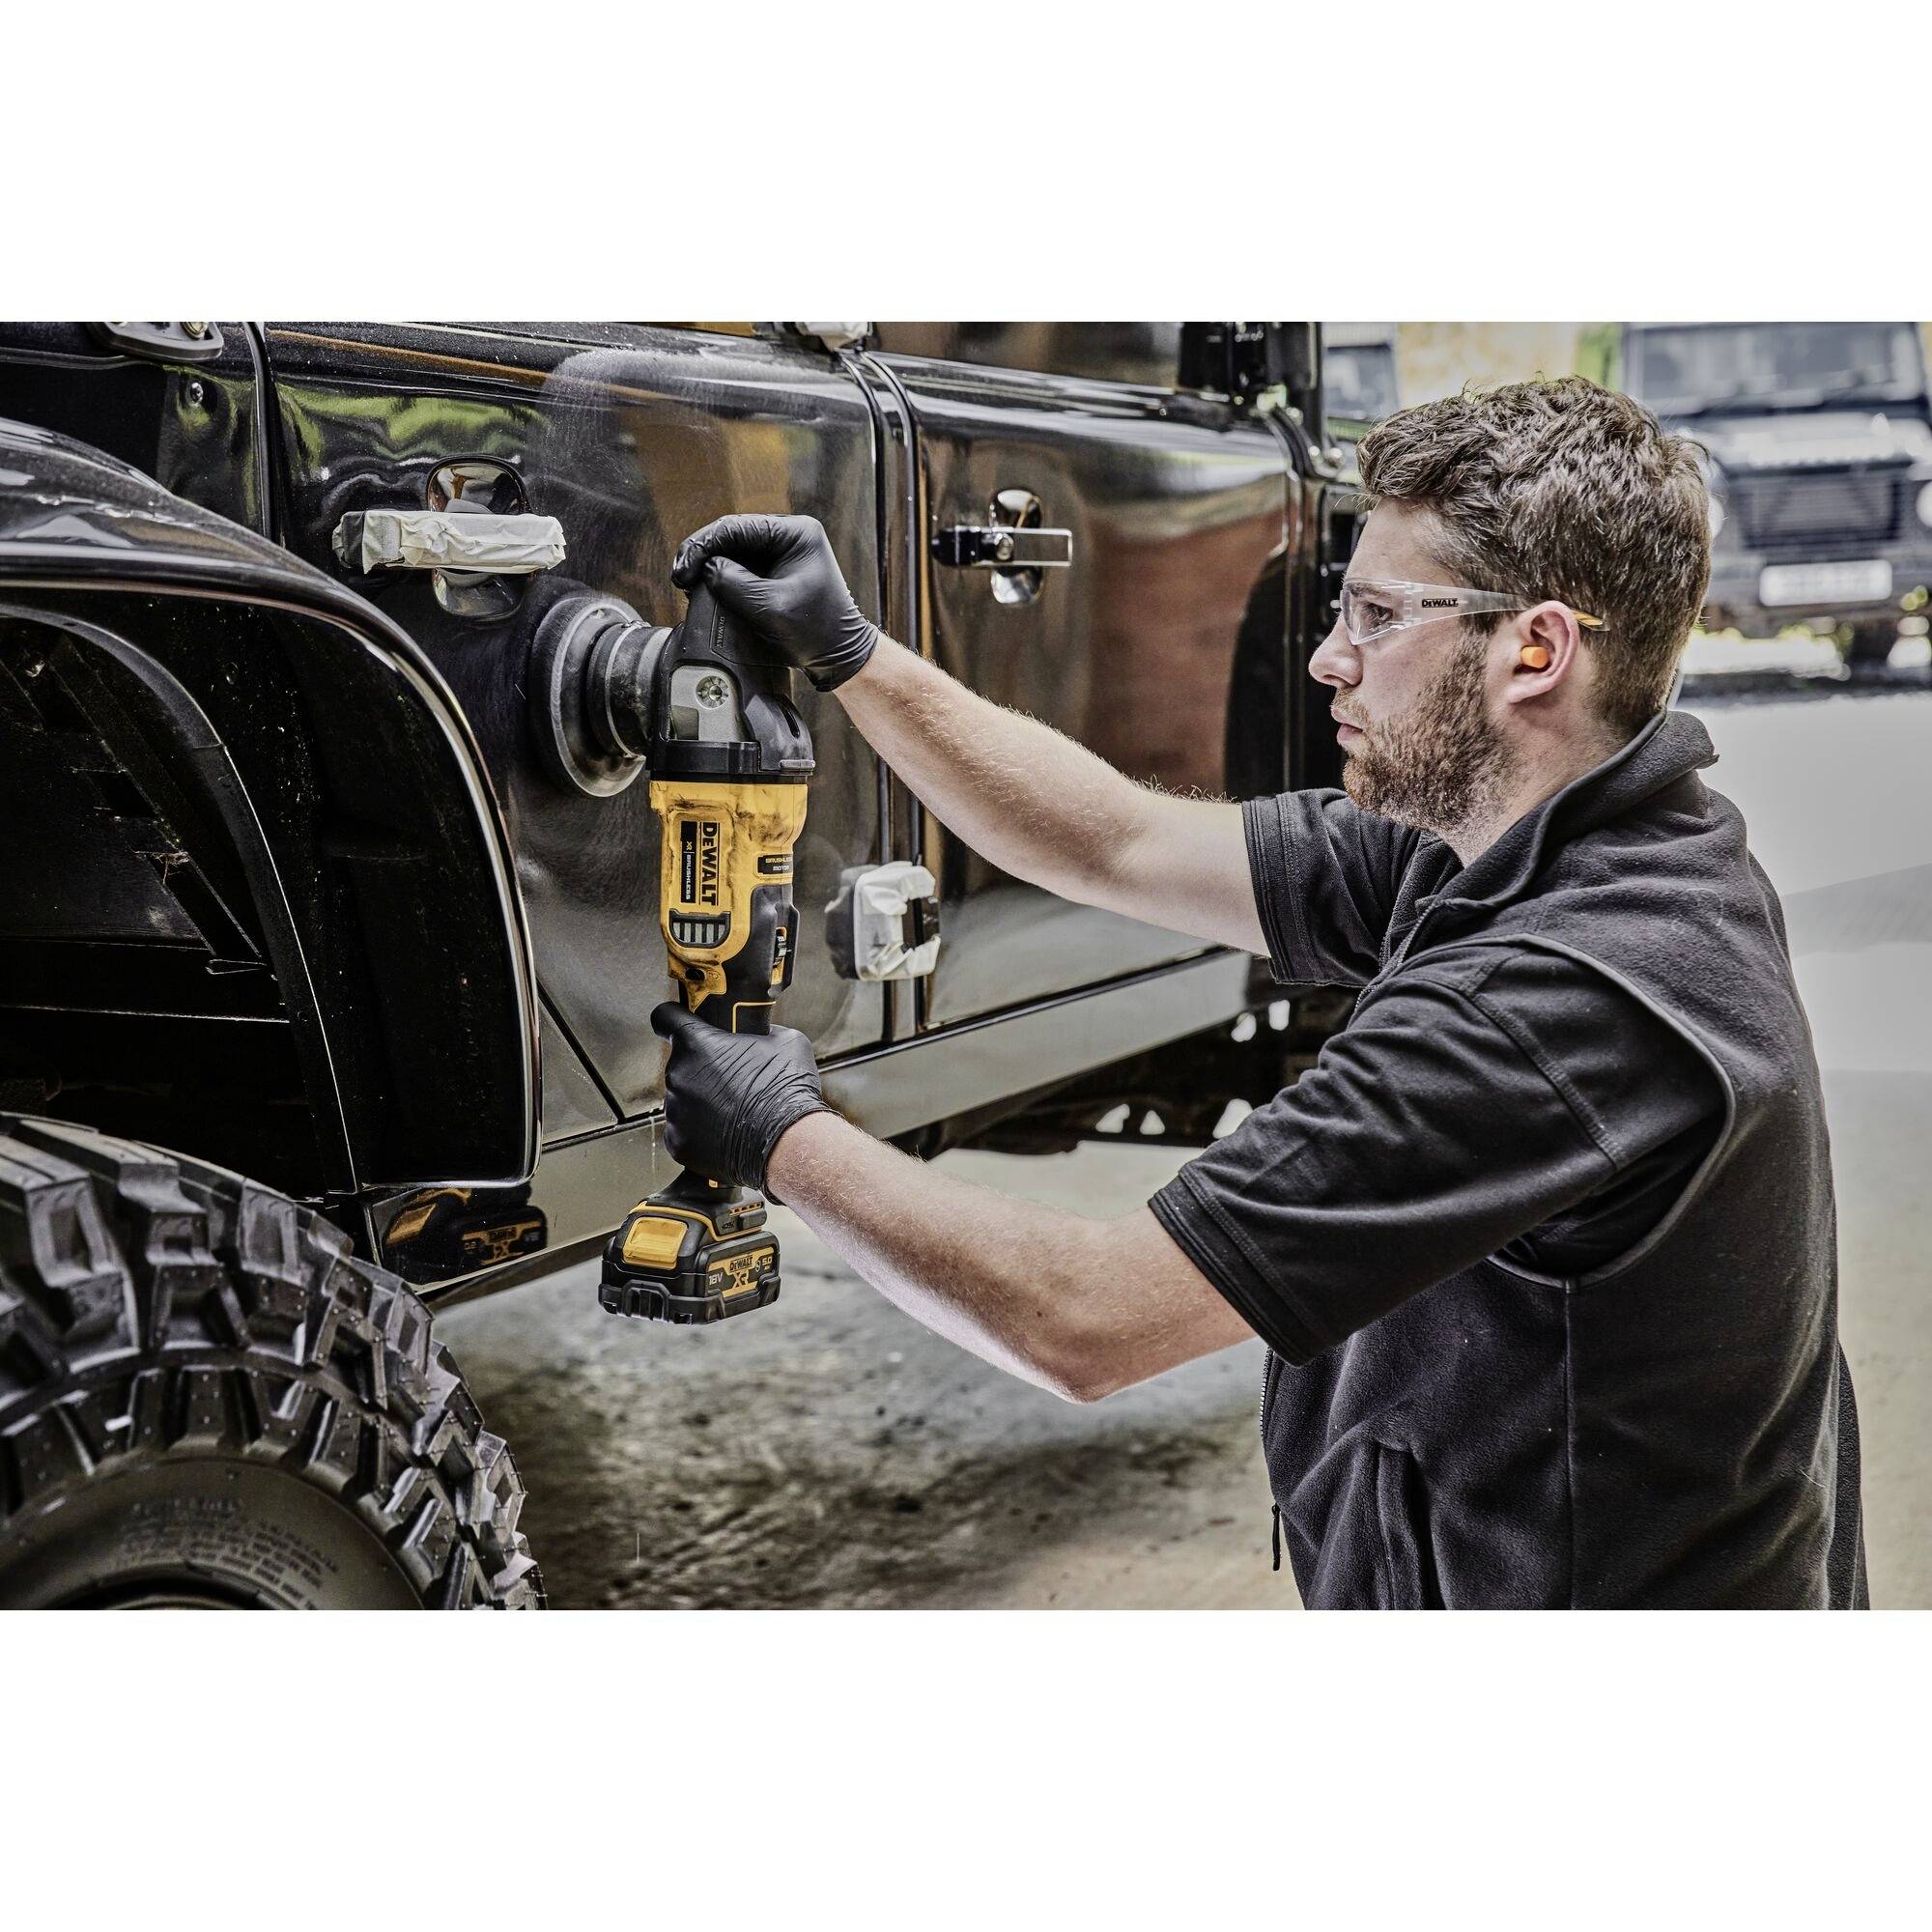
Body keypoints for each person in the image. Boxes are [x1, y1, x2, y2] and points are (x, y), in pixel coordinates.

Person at [653, 377, 1865, 1610]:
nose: (1327, 657)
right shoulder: (1555, 844)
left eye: (1379, 616)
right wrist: (854, 657)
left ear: (1534, 650)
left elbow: (1083, 1319)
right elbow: (1112, 843)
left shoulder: (1551, 1001)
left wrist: (782, 1138)